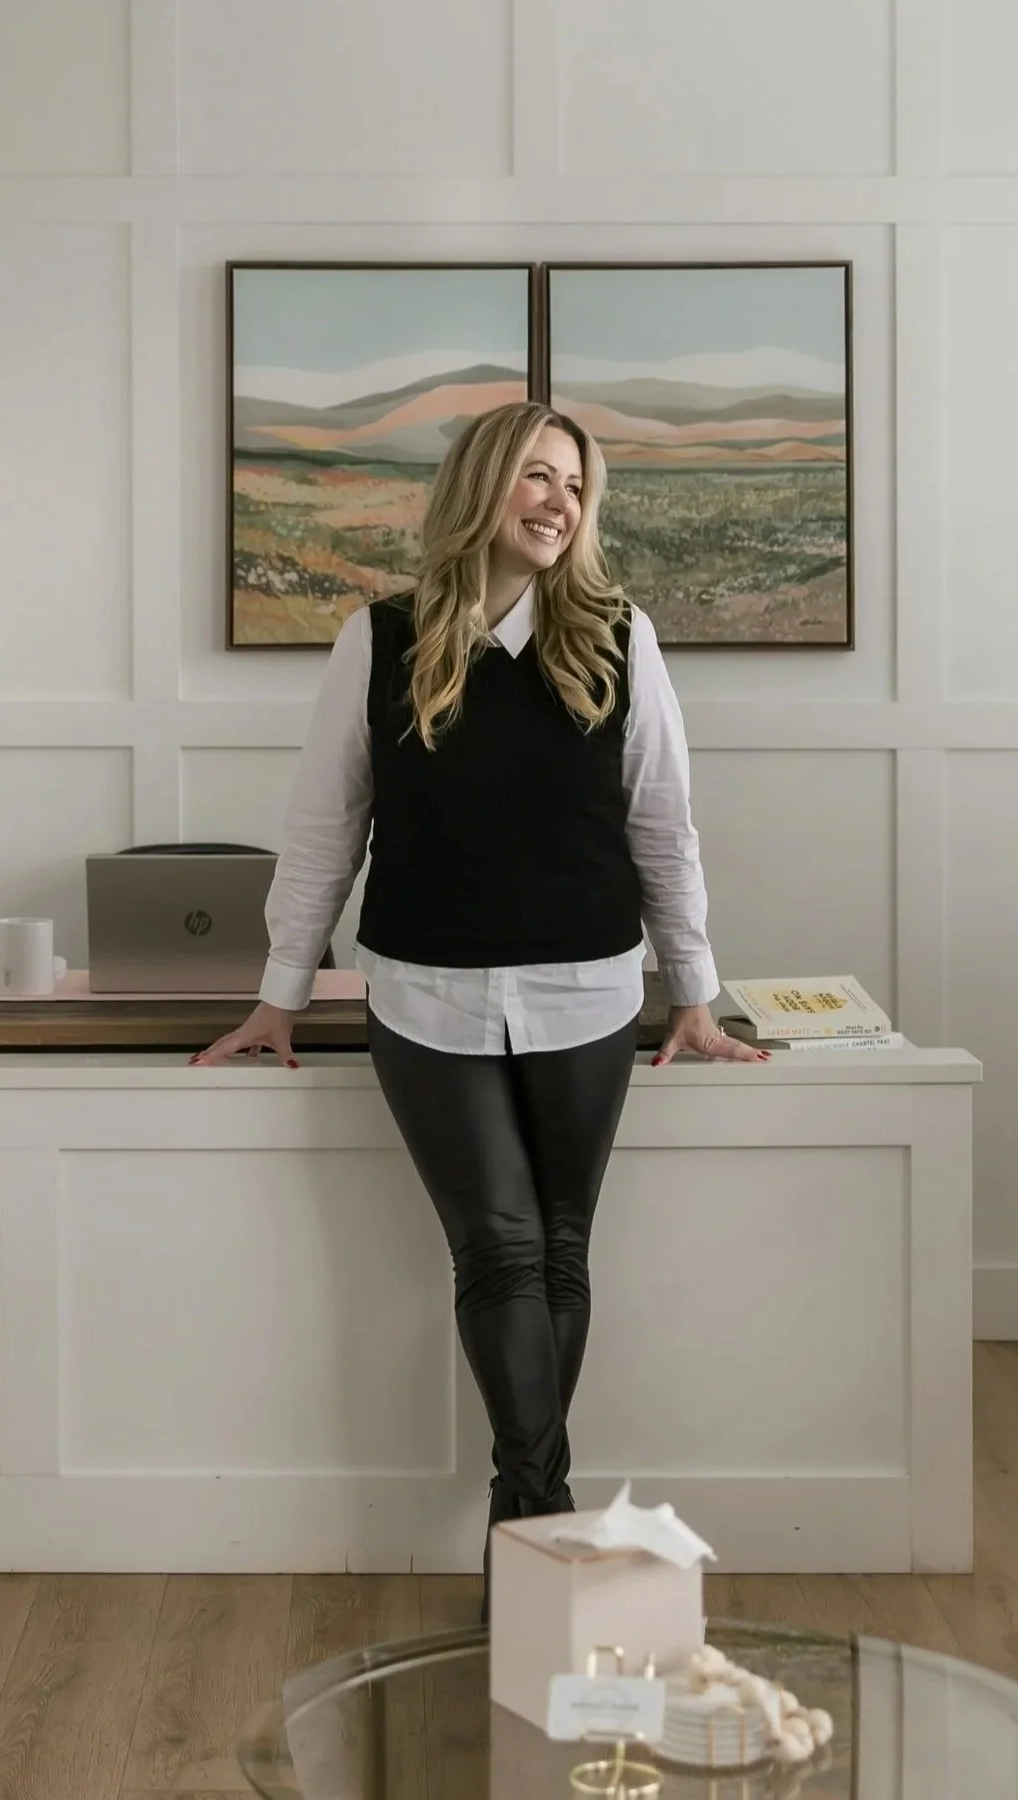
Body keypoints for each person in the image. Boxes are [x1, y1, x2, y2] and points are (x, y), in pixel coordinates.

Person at [194, 399, 763, 1570]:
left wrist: (694, 990)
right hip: (424, 995)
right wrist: (279, 991)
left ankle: (526, 1514)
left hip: (588, 991)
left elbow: (664, 828)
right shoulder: (382, 638)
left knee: (559, 1248)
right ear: (479, 488)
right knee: (498, 1247)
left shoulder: (621, 637)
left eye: (573, 484)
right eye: (535, 477)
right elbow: (323, 831)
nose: (557, 501)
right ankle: (539, 1505)